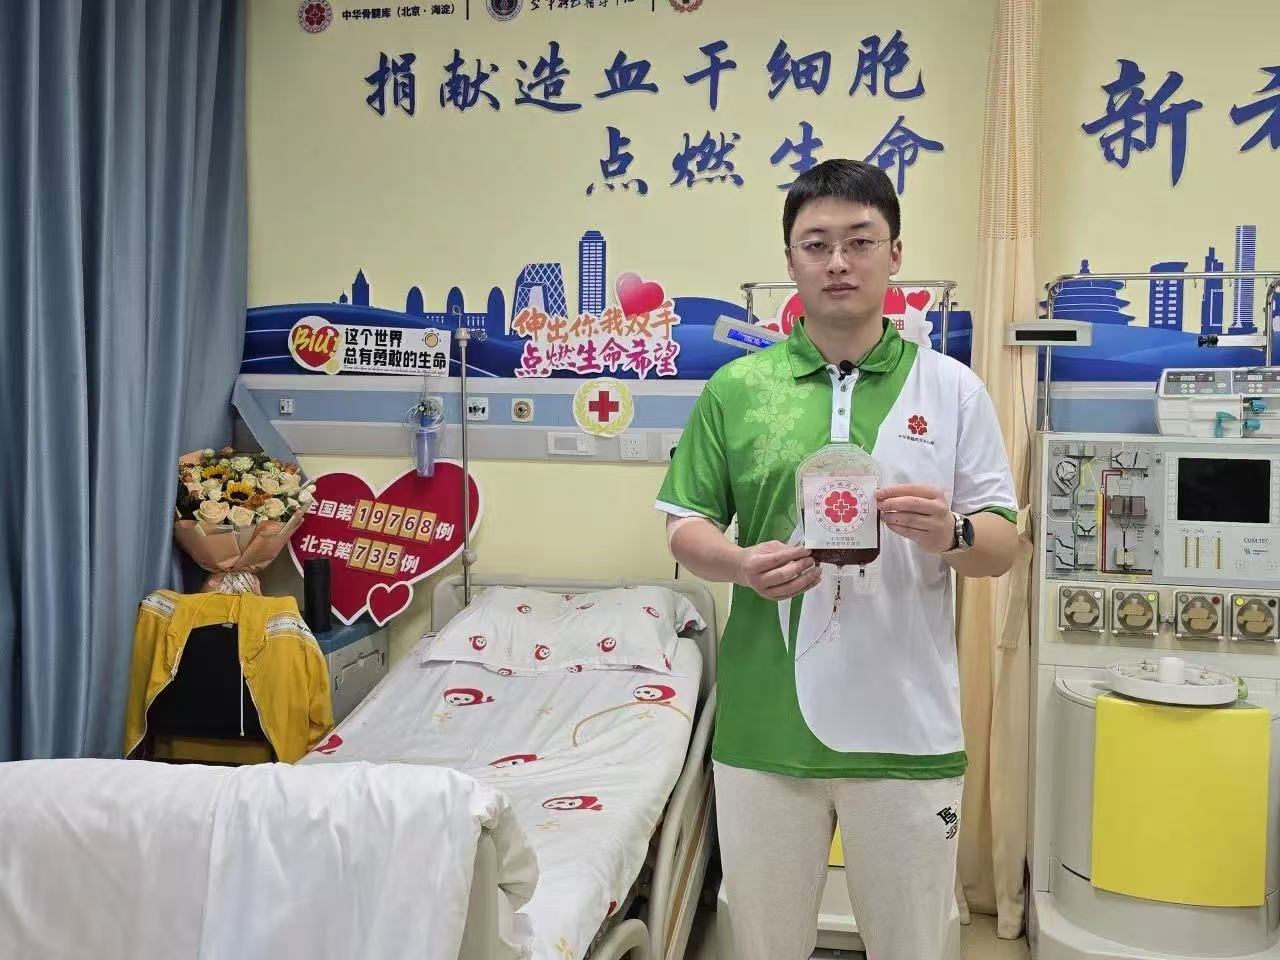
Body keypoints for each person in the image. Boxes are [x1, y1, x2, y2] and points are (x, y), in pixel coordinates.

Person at [655, 159, 1018, 960]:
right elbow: (685, 525)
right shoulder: (736, 389)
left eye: (860, 241)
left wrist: (951, 531)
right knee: (764, 942)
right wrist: (740, 563)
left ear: (895, 255)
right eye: (816, 244)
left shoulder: (952, 390)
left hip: (907, 728)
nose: (839, 262)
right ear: (791, 261)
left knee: (913, 943)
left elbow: (1002, 545)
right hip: (765, 729)